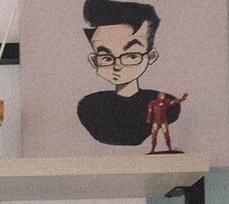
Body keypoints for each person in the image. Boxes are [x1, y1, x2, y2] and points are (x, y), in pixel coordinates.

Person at [76, 0, 185, 149]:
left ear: (151, 56)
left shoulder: (168, 107)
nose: (117, 66)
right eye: (107, 58)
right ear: (94, 60)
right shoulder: (90, 109)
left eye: (131, 56)